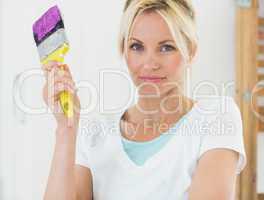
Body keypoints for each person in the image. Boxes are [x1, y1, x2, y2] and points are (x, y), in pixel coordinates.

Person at [42, 0, 247, 199]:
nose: (150, 63)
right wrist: (66, 129)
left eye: (166, 47)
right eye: (137, 47)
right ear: (123, 50)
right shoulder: (94, 132)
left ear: (191, 51)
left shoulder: (216, 116)